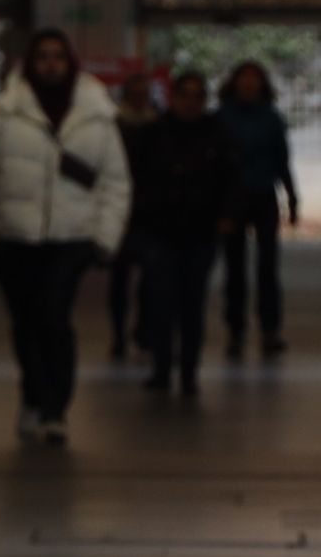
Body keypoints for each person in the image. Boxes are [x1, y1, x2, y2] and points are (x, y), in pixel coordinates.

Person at [0, 28, 133, 444]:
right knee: (25, 322)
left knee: (54, 317)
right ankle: (33, 397)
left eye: (57, 56)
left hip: (71, 237)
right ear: (30, 63)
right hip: (14, 238)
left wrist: (105, 236)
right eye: (43, 57)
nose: (50, 64)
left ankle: (56, 408)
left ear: (69, 62)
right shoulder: (5, 112)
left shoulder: (97, 115)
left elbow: (115, 181)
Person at [128, 70, 237, 396]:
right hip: (159, 232)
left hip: (200, 233)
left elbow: (232, 181)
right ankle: (161, 367)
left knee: (192, 304)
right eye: (184, 95)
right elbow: (135, 179)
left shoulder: (218, 135)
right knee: (160, 303)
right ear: (172, 98)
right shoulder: (152, 135)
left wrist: (227, 217)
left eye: (197, 96)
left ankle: (189, 371)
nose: (190, 102)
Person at [215, 61, 299, 359]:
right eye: (244, 78)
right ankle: (236, 330)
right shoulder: (222, 118)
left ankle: (270, 329)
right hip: (232, 199)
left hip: (264, 196)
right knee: (234, 268)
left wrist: (291, 196)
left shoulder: (271, 118)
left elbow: (282, 159)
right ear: (235, 83)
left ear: (262, 84)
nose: (249, 84)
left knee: (267, 268)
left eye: (254, 79)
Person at [102, 69, 158, 364]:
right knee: (120, 278)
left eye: (143, 94)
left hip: (148, 211)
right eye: (135, 95)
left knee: (150, 277)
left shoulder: (158, 125)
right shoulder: (114, 125)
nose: (139, 99)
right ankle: (119, 335)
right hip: (120, 209)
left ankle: (143, 331)